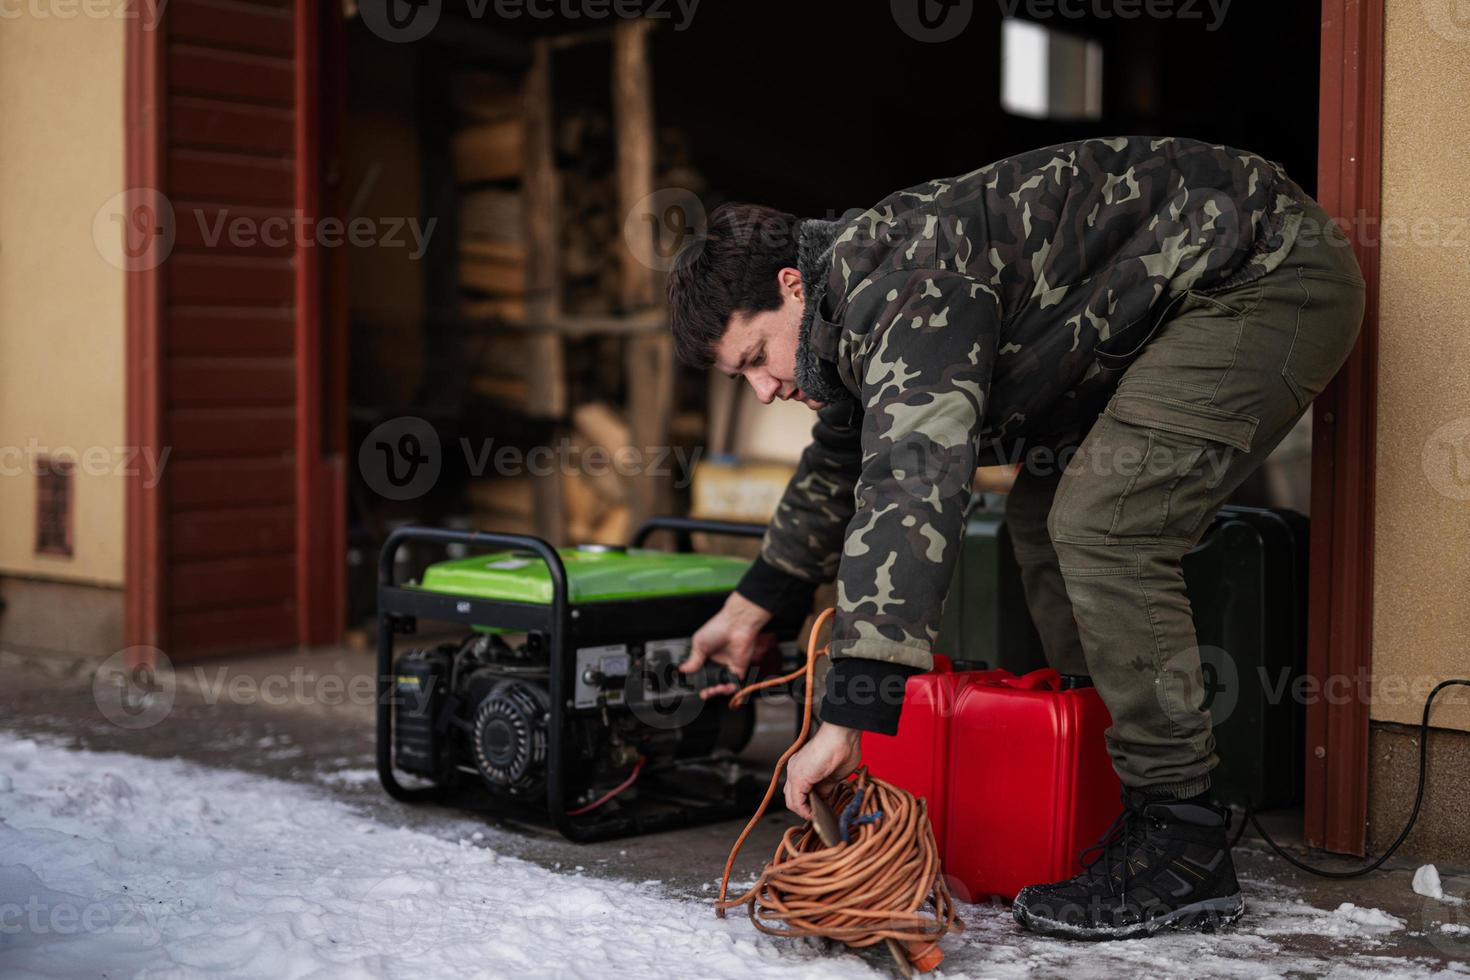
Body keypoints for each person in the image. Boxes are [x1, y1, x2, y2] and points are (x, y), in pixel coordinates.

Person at [667, 136, 1365, 940]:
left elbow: (911, 485)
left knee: (1105, 525)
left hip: (1264, 273)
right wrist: (757, 605)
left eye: (756, 357)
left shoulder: (903, 287)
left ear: (791, 285)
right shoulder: (843, 311)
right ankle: (1119, 797)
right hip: (1161, 315)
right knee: (1041, 524)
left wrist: (846, 719)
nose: (761, 389)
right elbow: (842, 458)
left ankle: (1183, 842)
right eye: (740, 378)